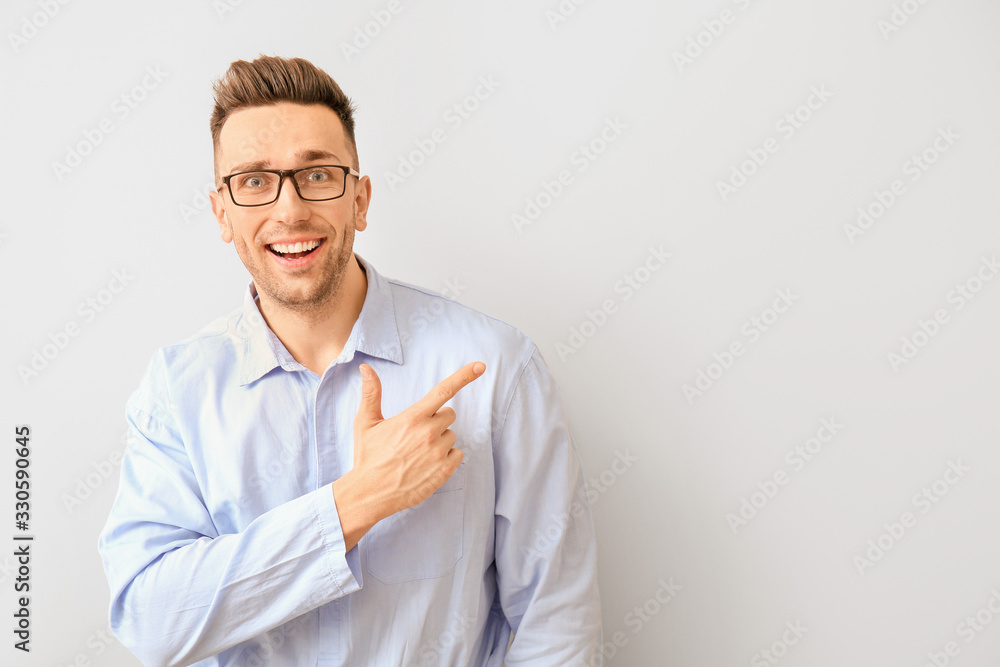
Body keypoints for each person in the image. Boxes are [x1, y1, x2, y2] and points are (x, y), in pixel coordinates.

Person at [98, 55, 602, 666]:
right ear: (222, 214)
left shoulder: (496, 365)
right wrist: (358, 501)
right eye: (254, 181)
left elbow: (558, 624)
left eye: (318, 176)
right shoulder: (178, 391)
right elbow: (152, 621)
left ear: (360, 201)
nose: (289, 210)